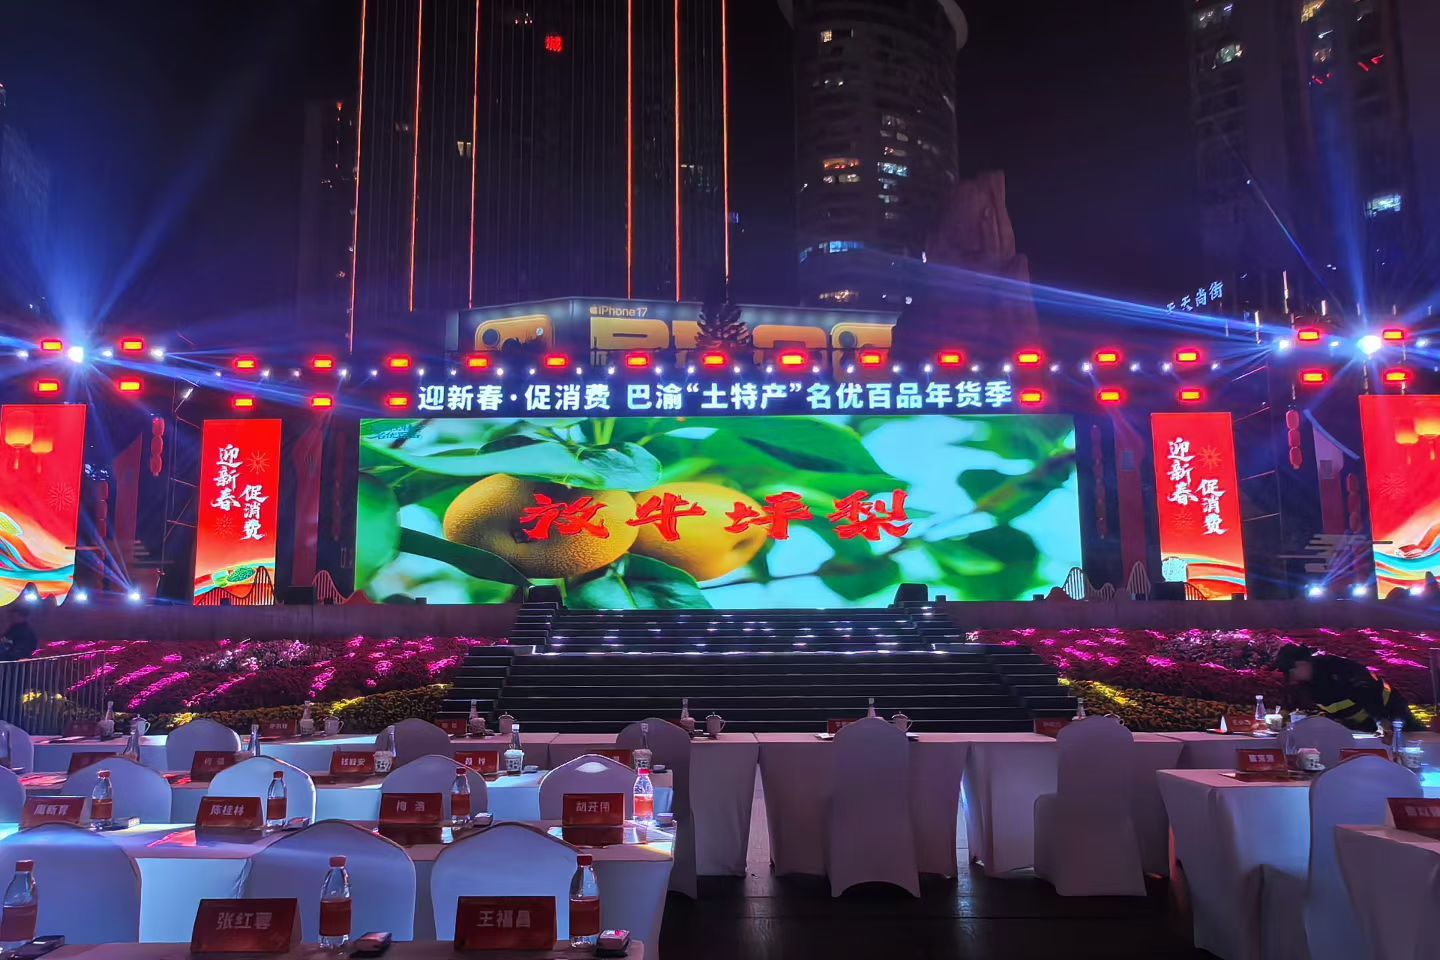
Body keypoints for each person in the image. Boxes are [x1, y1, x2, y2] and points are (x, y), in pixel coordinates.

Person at [1274, 643, 1421, 732]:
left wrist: (1382, 721)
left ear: (1302, 664)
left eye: (1290, 673)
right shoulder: (1306, 683)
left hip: (1391, 712)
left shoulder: (1337, 669)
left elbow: (1368, 691)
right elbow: (1295, 701)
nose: (1290, 678)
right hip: (1360, 725)